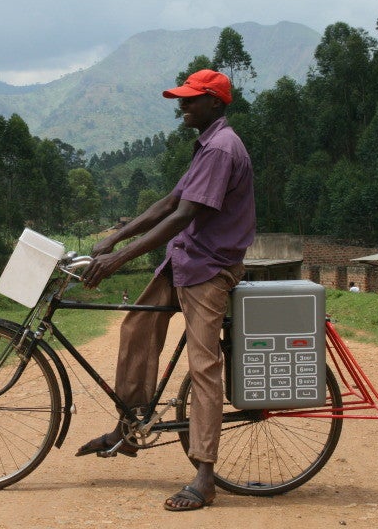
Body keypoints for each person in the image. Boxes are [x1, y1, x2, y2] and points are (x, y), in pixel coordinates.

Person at [77, 69, 255, 512]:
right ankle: (130, 425)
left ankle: (205, 475)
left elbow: (182, 216)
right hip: (183, 260)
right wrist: (114, 238)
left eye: (192, 99)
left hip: (209, 270)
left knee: (204, 366)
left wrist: (118, 259)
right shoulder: (205, 146)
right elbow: (167, 204)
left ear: (215, 103)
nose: (183, 106)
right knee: (136, 327)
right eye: (183, 98)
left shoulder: (220, 148)